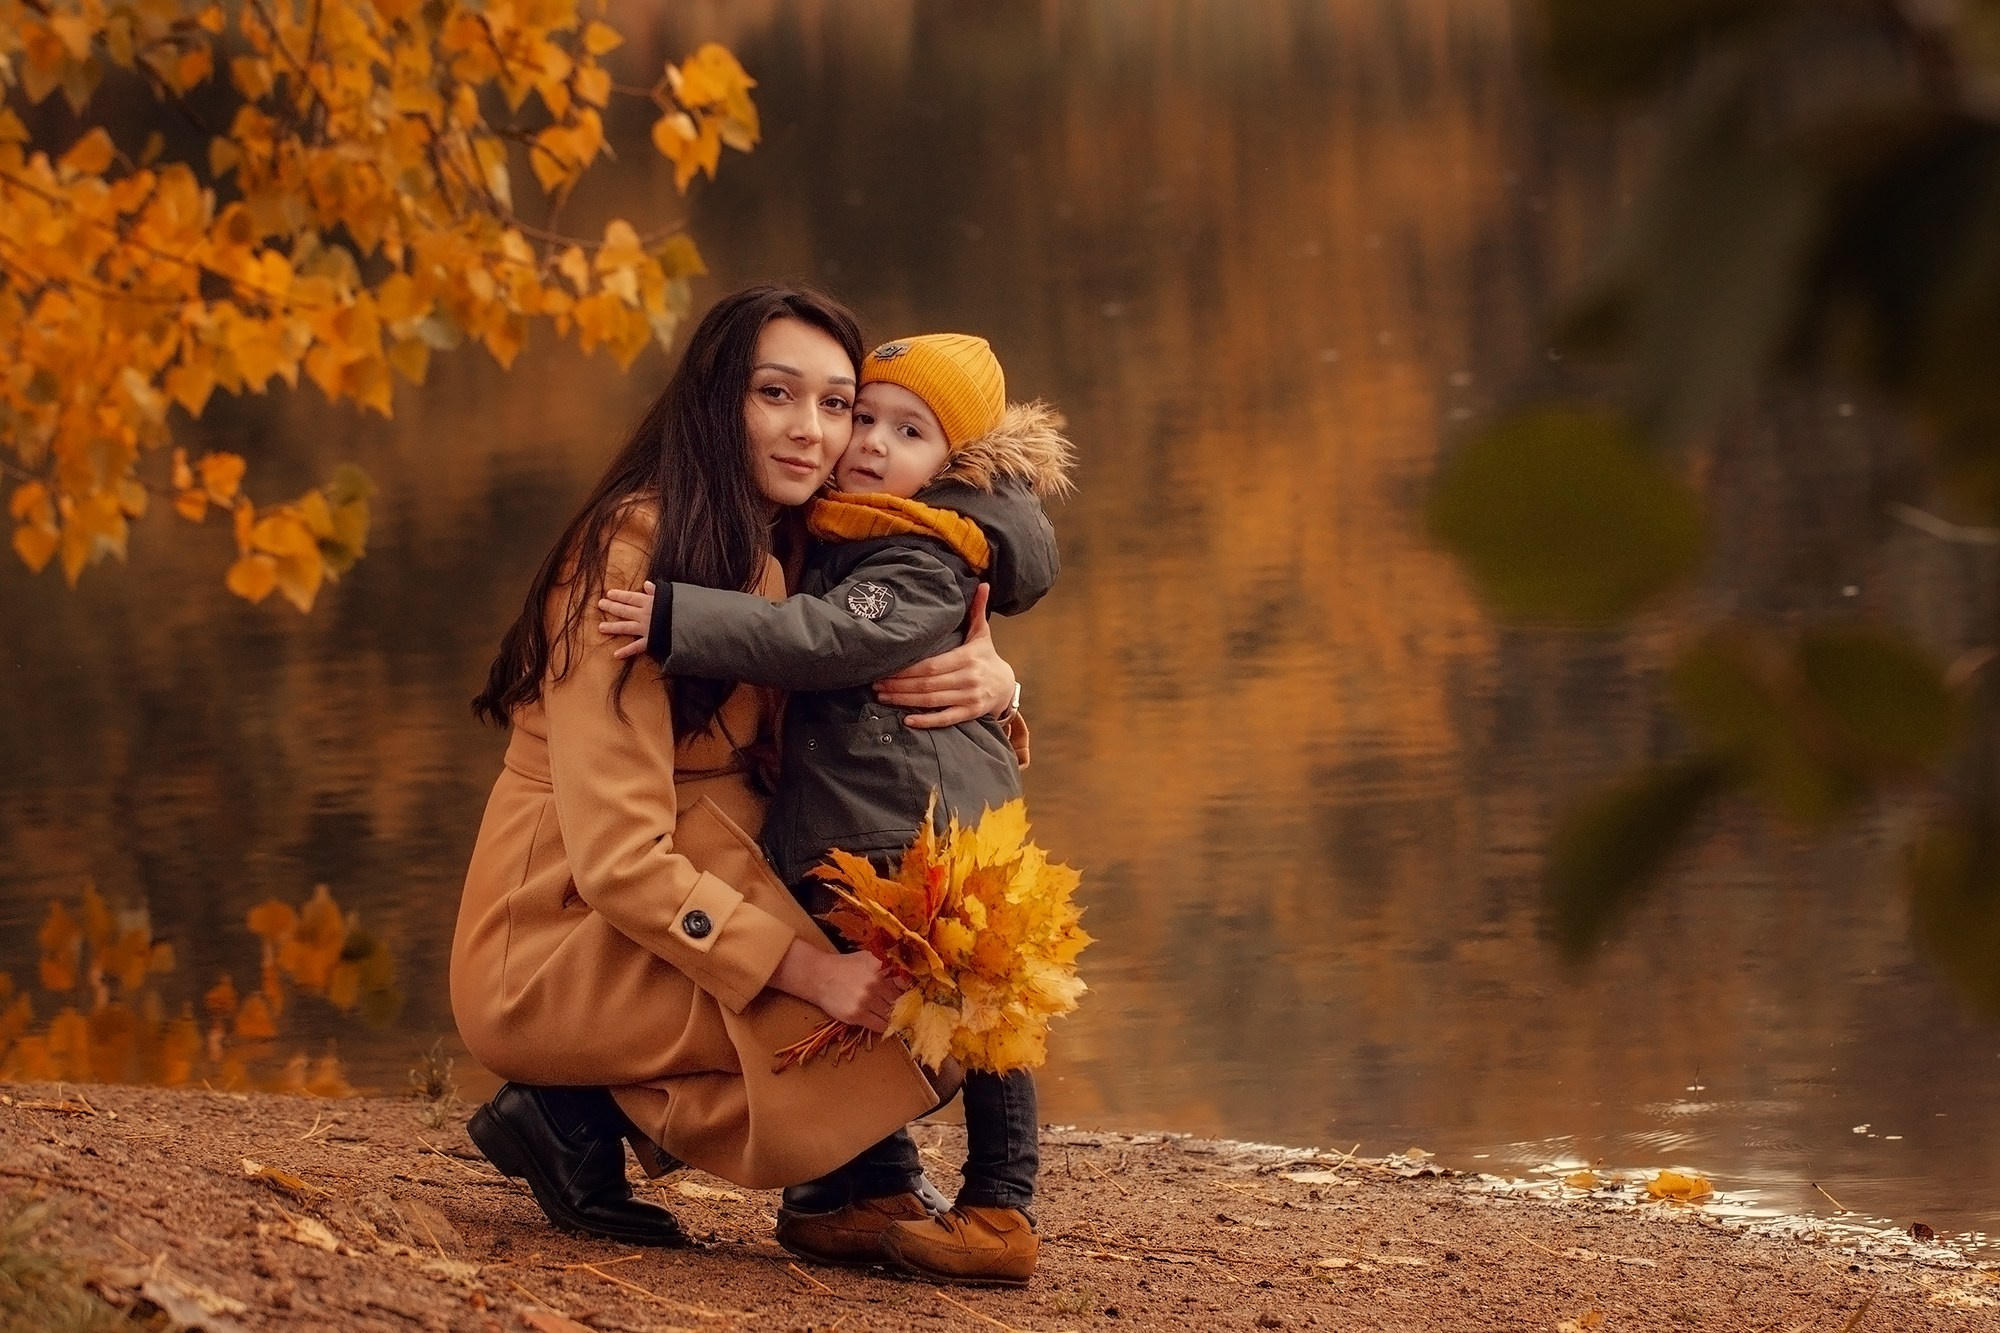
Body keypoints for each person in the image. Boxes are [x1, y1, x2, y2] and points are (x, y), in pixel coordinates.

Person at [449, 288, 1021, 1253]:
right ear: (720, 401)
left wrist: (995, 684)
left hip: (713, 878)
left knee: (939, 980)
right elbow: (621, 860)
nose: (813, 431)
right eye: (777, 394)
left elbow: (868, 719)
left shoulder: (811, 547)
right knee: (890, 1021)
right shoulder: (628, 560)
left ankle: (801, 1175)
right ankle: (576, 1108)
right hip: (563, 932)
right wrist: (812, 972)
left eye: (837, 405)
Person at [596, 333, 1074, 1285]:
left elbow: (822, 638)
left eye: (907, 429)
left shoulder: (923, 548)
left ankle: (1000, 1205)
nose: (865, 441)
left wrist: (675, 618)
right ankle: (871, 1184)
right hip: (862, 815)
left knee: (982, 1020)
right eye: (864, 415)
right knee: (870, 1003)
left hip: (925, 821)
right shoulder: (853, 522)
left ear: (959, 462)